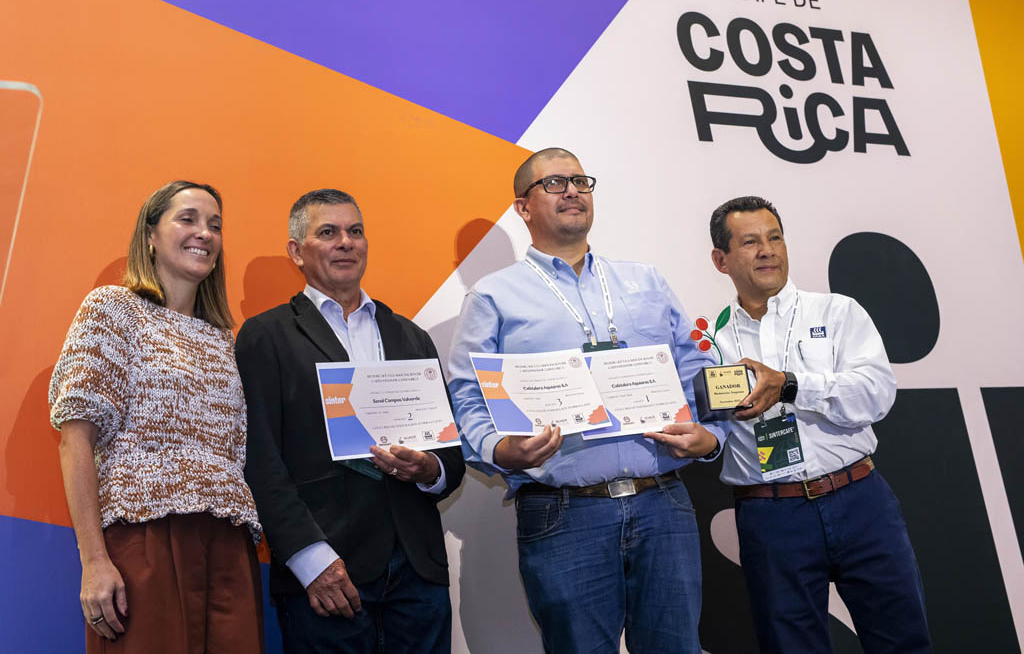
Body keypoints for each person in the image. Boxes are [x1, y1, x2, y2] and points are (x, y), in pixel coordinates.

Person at [447, 148, 723, 653]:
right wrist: (500, 450)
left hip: (663, 503)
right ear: (523, 207)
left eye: (580, 181)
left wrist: (712, 437)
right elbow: (467, 396)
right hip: (564, 513)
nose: (572, 191)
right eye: (554, 183)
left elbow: (694, 369)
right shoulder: (494, 296)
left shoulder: (644, 280)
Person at [698, 195, 931, 653]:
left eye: (775, 238)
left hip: (859, 499)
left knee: (903, 642)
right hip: (771, 515)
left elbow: (877, 394)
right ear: (721, 260)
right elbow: (708, 428)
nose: (768, 251)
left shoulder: (837, 312)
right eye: (750, 242)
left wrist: (790, 385)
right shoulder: (709, 339)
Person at [236, 188, 465, 654]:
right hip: (326, 574)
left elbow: (449, 455)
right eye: (328, 232)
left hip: (417, 573)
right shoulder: (266, 337)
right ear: (296, 252)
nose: (345, 242)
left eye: (355, 231)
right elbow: (258, 460)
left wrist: (431, 470)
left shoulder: (410, 336)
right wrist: (311, 561)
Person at [49, 181, 264, 653]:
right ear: (149, 235)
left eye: (215, 225)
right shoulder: (113, 309)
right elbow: (75, 439)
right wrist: (94, 561)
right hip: (144, 537)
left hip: (228, 546)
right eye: (187, 219)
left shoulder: (221, 339)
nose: (204, 233)